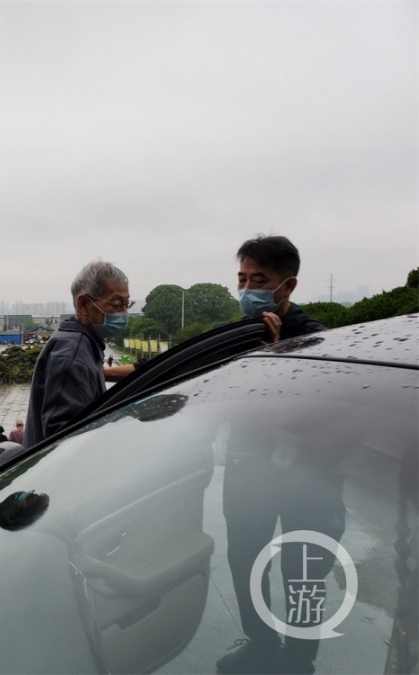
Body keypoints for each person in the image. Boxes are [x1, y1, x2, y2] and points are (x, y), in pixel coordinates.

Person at [218, 235, 331, 675]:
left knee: (303, 571)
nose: (247, 289)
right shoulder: (242, 333)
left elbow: (311, 413)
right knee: (245, 562)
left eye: (259, 280)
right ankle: (261, 644)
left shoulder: (316, 339)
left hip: (307, 480)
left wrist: (274, 356)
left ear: (289, 285)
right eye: (242, 279)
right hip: (248, 472)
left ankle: (301, 660)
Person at [24, 260, 130, 448]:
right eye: (116, 303)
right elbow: (65, 441)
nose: (124, 312)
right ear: (84, 305)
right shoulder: (72, 355)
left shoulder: (85, 346)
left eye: (126, 304)